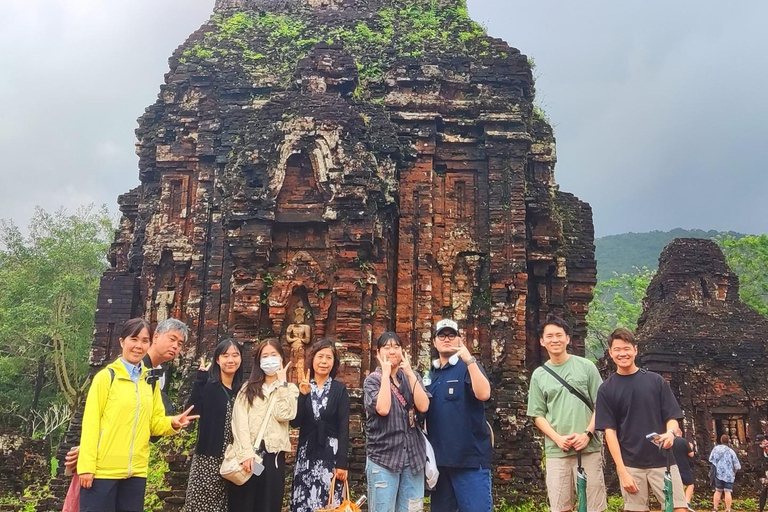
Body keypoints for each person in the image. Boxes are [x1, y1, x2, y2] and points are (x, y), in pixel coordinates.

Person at [77, 318, 198, 512]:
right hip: (103, 472)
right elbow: (91, 424)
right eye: (134, 339)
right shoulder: (107, 378)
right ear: (122, 342)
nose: (139, 346)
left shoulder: (149, 380)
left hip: (136, 472)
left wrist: (173, 423)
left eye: (144, 341)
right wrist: (86, 467)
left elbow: (154, 423)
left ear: (150, 343)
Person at [64, 317, 189, 469]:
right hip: (106, 461)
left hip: (133, 464)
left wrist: (172, 423)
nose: (175, 346)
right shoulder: (124, 371)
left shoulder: (152, 375)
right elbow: (102, 417)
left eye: (180, 344)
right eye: (172, 339)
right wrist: (88, 451)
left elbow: (146, 421)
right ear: (155, 338)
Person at [595, 328, 688, 512]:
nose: (623, 353)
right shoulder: (606, 389)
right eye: (618, 349)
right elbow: (609, 432)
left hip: (664, 460)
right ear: (610, 353)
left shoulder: (656, 381)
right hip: (631, 464)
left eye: (627, 348)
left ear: (635, 350)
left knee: (679, 508)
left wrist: (670, 434)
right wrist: (622, 472)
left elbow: (672, 417)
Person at [527, 315, 607, 512]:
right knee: (560, 505)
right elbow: (538, 414)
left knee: (594, 506)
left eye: (559, 335)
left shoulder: (586, 367)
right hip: (557, 450)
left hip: (589, 448)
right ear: (542, 341)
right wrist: (557, 438)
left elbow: (601, 405)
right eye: (550, 336)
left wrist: (587, 434)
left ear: (568, 339)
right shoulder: (539, 375)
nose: (555, 340)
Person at [424, 319, 493, 512]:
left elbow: (484, 394)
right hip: (440, 464)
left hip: (470, 462)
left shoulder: (467, 366)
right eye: (442, 335)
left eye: (451, 335)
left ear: (459, 339)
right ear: (435, 342)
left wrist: (469, 360)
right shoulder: (431, 375)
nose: (446, 339)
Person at [229, 338, 299, 512]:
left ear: (281, 358)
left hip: (273, 458)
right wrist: (246, 453)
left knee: (269, 505)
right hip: (248, 456)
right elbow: (239, 422)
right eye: (265, 356)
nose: (269, 359)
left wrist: (282, 384)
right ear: (259, 361)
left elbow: (285, 414)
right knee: (244, 505)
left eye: (273, 355)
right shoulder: (248, 389)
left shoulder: (290, 389)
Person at [364, 332, 430, 512]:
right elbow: (383, 409)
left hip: (413, 458)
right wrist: (385, 375)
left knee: (412, 509)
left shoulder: (411, 376)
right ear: (378, 352)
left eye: (396, 347)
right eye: (387, 347)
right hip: (384, 458)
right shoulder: (373, 380)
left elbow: (423, 406)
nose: (392, 351)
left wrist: (409, 372)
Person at [184, 338, 244, 512]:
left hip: (234, 460)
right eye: (225, 356)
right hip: (208, 459)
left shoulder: (241, 390)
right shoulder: (209, 385)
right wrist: (200, 380)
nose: (231, 360)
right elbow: (191, 411)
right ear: (217, 360)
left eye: (235, 355)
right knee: (201, 506)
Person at [290, 338, 350, 512]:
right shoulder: (303, 386)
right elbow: (295, 423)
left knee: (329, 503)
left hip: (330, 456)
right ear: (313, 359)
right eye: (320, 356)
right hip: (306, 455)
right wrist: (302, 396)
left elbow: (343, 427)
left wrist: (342, 463)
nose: (324, 362)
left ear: (334, 363)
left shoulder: (339, 390)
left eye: (329, 358)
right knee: (304, 503)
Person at [709, 434, 741, 512]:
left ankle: (715, 508)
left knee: (718, 490)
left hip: (718, 474)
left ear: (721, 440)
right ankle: (728, 509)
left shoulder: (715, 449)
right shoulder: (731, 451)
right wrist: (733, 473)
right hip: (729, 475)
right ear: (728, 441)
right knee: (727, 491)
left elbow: (711, 459)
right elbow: (737, 466)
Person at [671, 429, 695, 510]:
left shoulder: (669, 442)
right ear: (680, 433)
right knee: (690, 484)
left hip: (672, 466)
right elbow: (691, 454)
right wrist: (691, 447)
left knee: (677, 486)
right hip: (684, 466)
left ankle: (678, 503)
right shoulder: (683, 441)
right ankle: (687, 502)